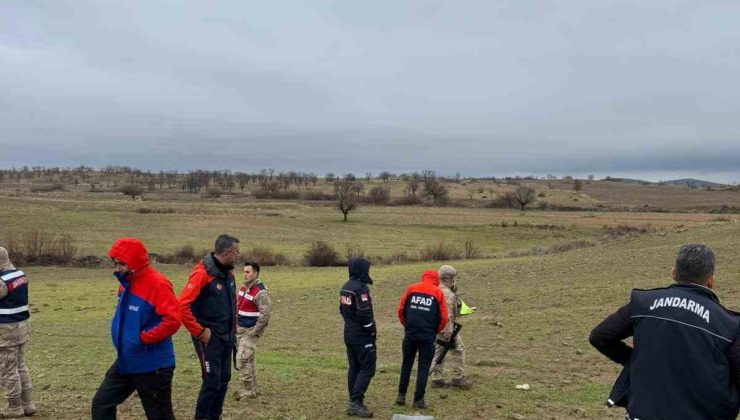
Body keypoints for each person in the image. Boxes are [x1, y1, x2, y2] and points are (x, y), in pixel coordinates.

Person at [590, 243, 740, 420]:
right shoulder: (728, 323)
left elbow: (600, 336)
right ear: (710, 280)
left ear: (674, 273)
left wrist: (636, 360)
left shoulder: (643, 303)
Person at [91, 238, 181, 420]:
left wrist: (143, 339)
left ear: (135, 262)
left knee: (159, 415)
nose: (117, 268)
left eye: (122, 263)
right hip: (127, 360)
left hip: (153, 365)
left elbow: (173, 320)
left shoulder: (158, 284)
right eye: (116, 263)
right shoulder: (126, 282)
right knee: (101, 404)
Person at [179, 234, 239, 420]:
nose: (238, 256)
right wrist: (199, 331)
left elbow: (231, 303)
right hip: (209, 338)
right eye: (236, 253)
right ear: (228, 253)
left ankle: (215, 415)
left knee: (224, 378)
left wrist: (233, 328)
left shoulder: (229, 273)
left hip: (227, 336)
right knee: (212, 380)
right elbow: (182, 306)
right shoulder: (202, 274)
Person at [395, 269, 448, 409]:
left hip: (410, 334)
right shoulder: (438, 293)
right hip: (427, 336)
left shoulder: (411, 289)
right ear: (436, 279)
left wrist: (406, 325)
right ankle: (418, 400)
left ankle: (401, 395)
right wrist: (435, 330)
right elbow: (443, 318)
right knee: (423, 367)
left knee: (406, 364)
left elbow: (400, 310)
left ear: (423, 277)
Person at [0, 247, 36, 418]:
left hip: (5, 331)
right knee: (20, 366)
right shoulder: (20, 275)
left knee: (7, 370)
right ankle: (28, 404)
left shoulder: (2, 282)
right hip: (21, 328)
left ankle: (13, 407)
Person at [339, 257, 376, 418]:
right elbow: (364, 313)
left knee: (354, 367)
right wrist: (371, 330)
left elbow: (342, 309)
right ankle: (355, 402)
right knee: (367, 368)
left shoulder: (345, 287)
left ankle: (354, 399)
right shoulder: (361, 289)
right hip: (362, 336)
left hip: (349, 332)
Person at [430, 265, 473, 389]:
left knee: (438, 352)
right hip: (446, 327)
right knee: (458, 349)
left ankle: (436, 378)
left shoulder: (438, 289)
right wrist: (448, 331)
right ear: (449, 278)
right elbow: (447, 314)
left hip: (437, 326)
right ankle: (458, 378)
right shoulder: (447, 293)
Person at [234, 261, 272, 400]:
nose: (244, 274)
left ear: (255, 273)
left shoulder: (261, 291)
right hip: (240, 330)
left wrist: (255, 331)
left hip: (250, 331)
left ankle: (248, 390)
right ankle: (253, 388)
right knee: (248, 359)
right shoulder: (244, 287)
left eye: (247, 272)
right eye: (244, 271)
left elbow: (265, 314)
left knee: (242, 359)